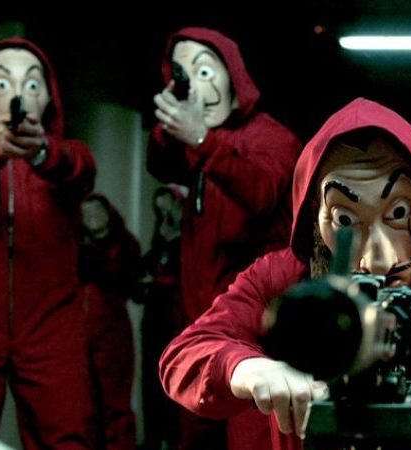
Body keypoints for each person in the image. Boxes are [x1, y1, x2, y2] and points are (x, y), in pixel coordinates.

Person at [160, 98, 411, 450]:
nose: (377, 259)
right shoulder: (282, 281)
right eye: (345, 219)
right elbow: (187, 354)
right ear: (314, 219)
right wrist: (247, 368)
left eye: (398, 214)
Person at [147, 26, 303, 448]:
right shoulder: (197, 145)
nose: (195, 88)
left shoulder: (272, 136)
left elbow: (261, 193)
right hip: (201, 323)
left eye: (204, 72)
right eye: (182, 75)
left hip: (257, 329)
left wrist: (202, 140)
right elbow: (159, 163)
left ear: (232, 76)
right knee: (194, 437)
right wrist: (179, 128)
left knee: (251, 438)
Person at [0, 38, 97, 448]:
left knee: (68, 435)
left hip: (51, 327)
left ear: (48, 98)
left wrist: (40, 154)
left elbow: (79, 170)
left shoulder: (69, 153)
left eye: (32, 84)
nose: (19, 93)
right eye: (3, 83)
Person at [78, 193, 143, 450]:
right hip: (81, 334)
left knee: (115, 401)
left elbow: (130, 283)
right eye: (86, 213)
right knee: (85, 402)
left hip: (113, 334)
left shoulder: (125, 247)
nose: (92, 216)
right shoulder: (75, 247)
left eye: (97, 210)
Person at [137, 184, 187, 450]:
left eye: (169, 205)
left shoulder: (190, 239)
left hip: (178, 319)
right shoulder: (160, 240)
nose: (166, 212)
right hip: (155, 319)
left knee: (176, 378)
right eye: (160, 208)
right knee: (152, 380)